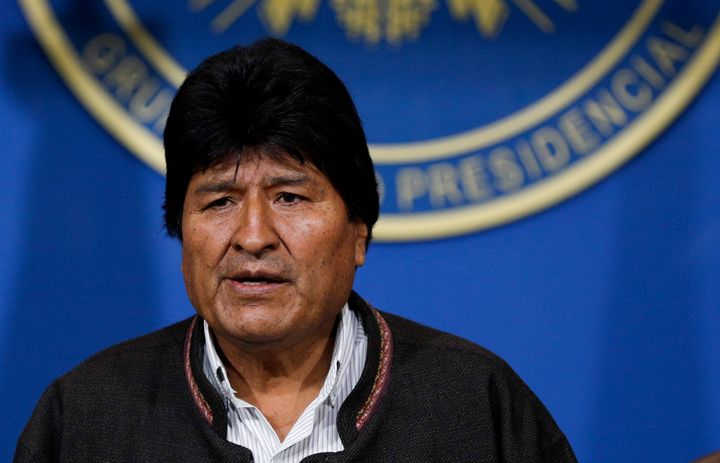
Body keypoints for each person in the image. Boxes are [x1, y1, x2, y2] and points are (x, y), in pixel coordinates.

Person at [15, 38, 577, 462]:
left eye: (289, 196)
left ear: (359, 229)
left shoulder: (475, 407)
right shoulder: (88, 417)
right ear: (180, 232)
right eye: (219, 202)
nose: (253, 235)